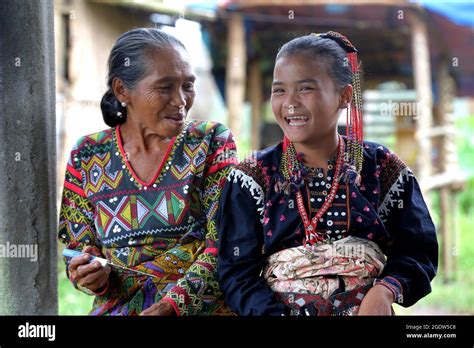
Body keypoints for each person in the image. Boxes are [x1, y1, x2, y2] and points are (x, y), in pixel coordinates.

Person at [217, 31, 438, 316]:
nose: (290, 102)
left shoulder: (381, 167)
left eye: (306, 88)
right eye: (279, 90)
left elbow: (418, 250)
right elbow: (236, 273)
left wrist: (385, 291)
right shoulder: (252, 177)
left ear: (344, 96)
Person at [58, 28, 237, 315]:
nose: (180, 101)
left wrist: (174, 305)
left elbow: (227, 241)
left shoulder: (210, 141)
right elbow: (78, 249)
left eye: (187, 85)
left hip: (199, 308)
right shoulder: (88, 155)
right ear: (122, 90)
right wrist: (89, 274)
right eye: (165, 87)